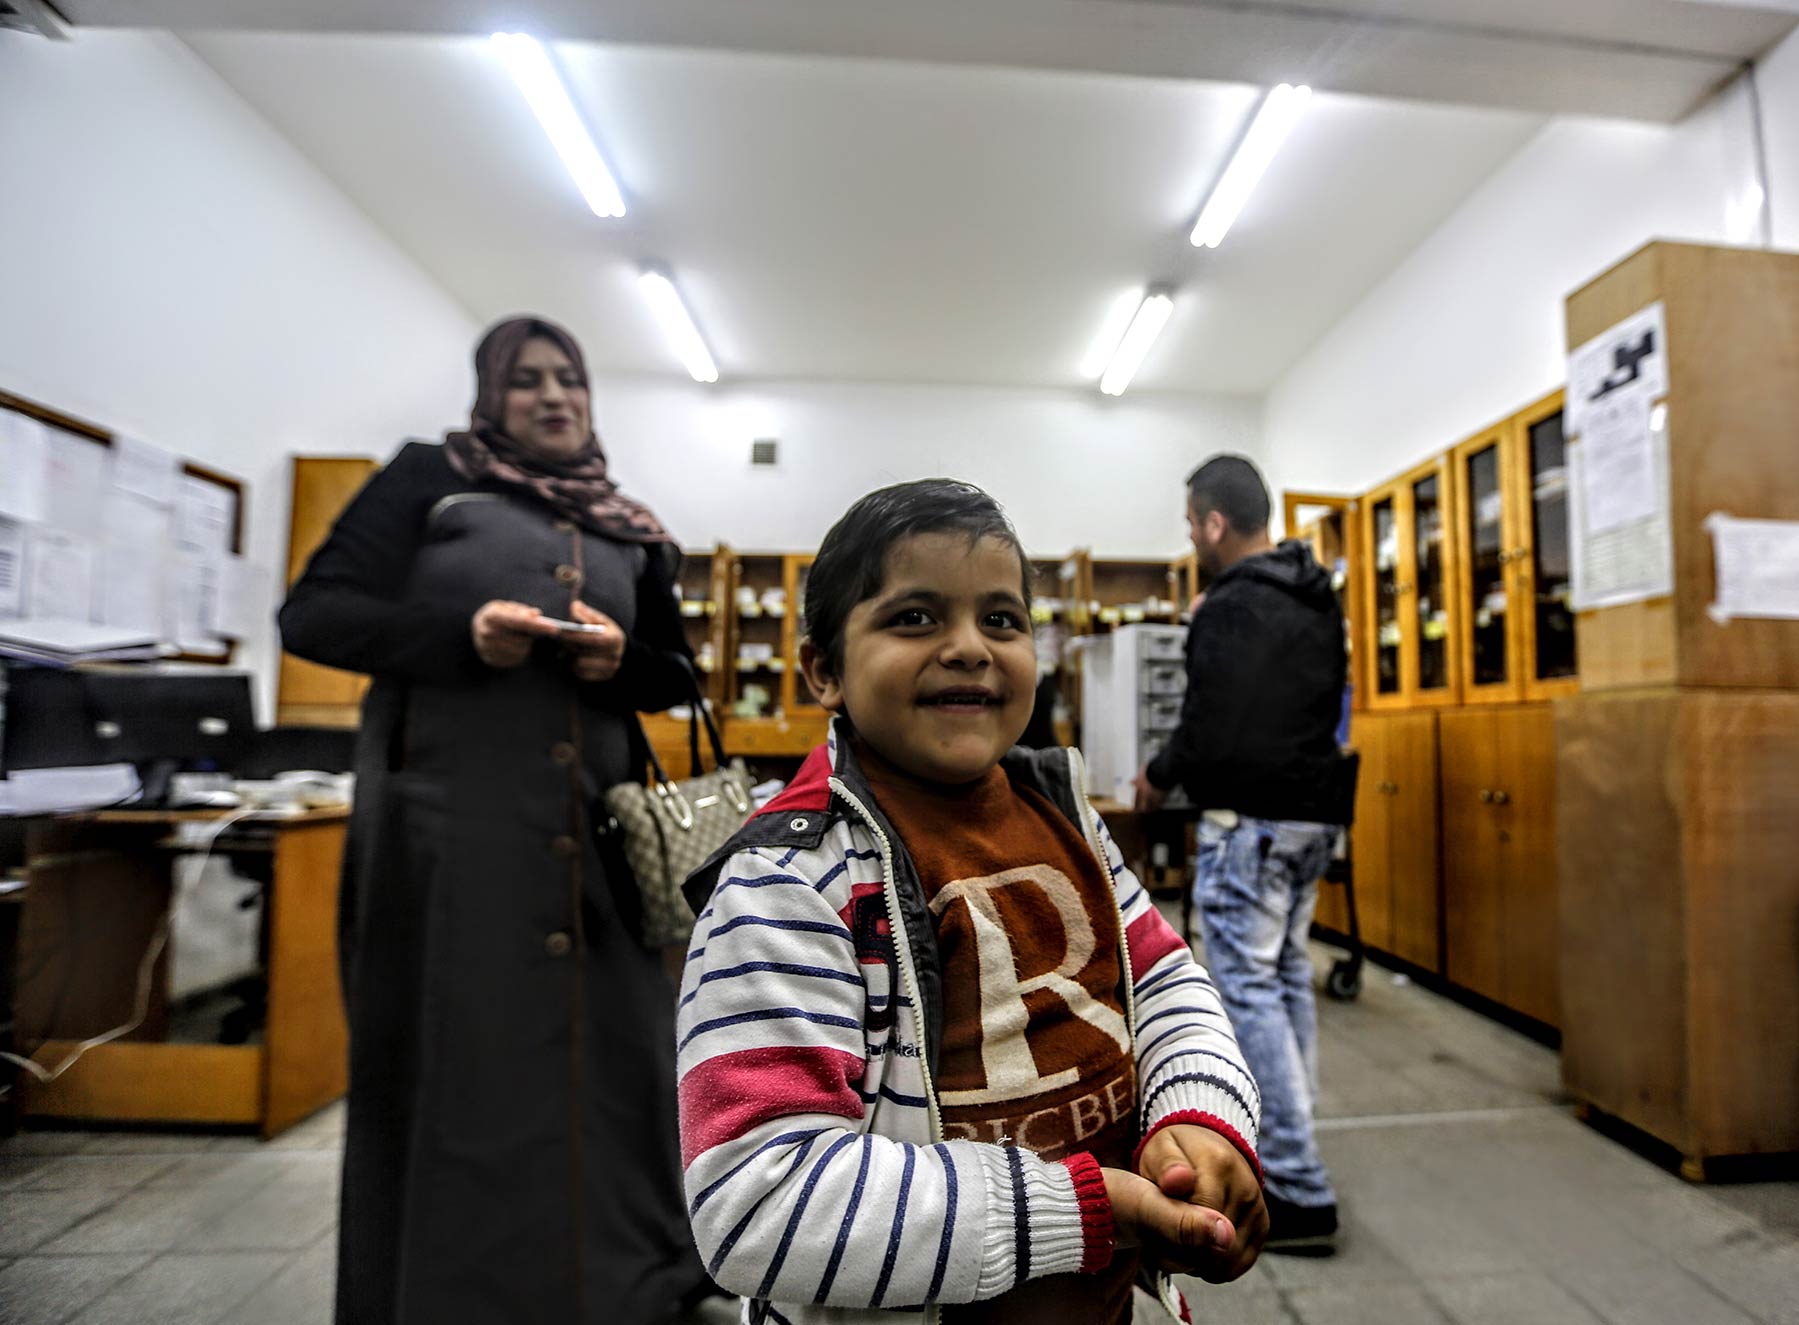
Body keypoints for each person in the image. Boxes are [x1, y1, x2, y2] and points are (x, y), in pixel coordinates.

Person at [675, 480, 1268, 1324]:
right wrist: (1082, 1211)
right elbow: (755, 1199)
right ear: (823, 669)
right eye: (914, 617)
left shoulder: (1064, 810)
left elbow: (1167, 984)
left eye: (1002, 619)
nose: (969, 647)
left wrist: (1198, 1118)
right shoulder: (787, 878)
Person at [279, 316, 713, 1323]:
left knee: (618, 1053)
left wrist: (620, 662)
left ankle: (630, 1278)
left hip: (594, 845)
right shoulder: (429, 479)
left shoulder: (626, 523)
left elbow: (672, 672)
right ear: (489, 395)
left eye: (571, 378)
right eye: (526, 380)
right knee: (462, 1052)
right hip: (451, 835)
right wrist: (460, 634)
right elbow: (316, 614)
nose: (554, 395)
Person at [1134, 454, 1347, 1256]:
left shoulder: (1226, 605)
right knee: (1287, 976)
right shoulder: (1315, 594)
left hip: (1251, 821)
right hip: (1309, 818)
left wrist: (1159, 776)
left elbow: (1209, 723)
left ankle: (1294, 1179)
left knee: (1247, 989)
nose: (1191, 535)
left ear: (1215, 522)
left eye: (1193, 522)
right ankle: (1297, 1144)